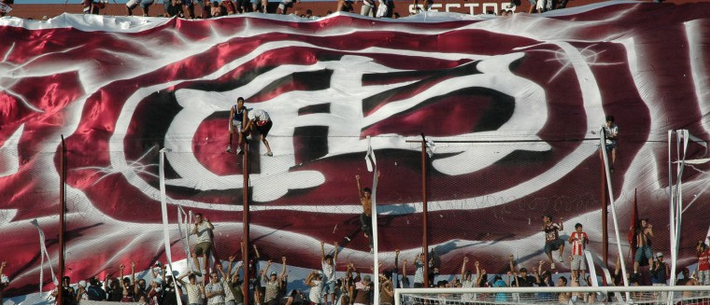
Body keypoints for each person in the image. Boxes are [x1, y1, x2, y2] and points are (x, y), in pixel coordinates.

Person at [355, 172, 379, 252]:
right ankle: (365, 230)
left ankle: (371, 247)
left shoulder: (372, 198)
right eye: (365, 193)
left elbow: (375, 187)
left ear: (370, 193)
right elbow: (359, 189)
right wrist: (358, 180)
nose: (366, 195)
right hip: (366, 215)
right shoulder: (362, 199)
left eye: (367, 193)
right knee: (362, 216)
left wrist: (378, 178)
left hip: (372, 216)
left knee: (371, 232)